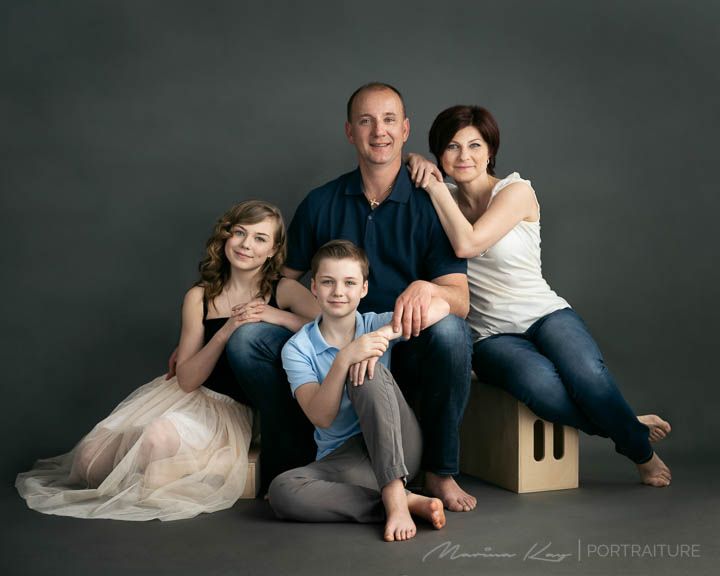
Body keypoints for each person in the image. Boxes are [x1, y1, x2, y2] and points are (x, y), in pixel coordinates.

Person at [407, 105, 672, 487]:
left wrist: (433, 184)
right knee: (543, 391)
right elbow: (393, 165)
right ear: (439, 154)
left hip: (545, 314)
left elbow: (468, 243)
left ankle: (639, 451)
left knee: (589, 378)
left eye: (474, 145)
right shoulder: (439, 197)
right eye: (451, 147)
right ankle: (628, 427)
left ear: (490, 149)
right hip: (491, 335)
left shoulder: (516, 190)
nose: (464, 156)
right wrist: (414, 160)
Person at [16, 200, 320, 520]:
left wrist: (276, 316)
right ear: (226, 236)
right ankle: (170, 469)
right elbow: (187, 379)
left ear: (273, 250)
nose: (247, 244)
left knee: (157, 439)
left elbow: (330, 329)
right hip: (187, 396)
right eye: (240, 233)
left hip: (227, 409)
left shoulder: (283, 290)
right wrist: (226, 329)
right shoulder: (199, 296)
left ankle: (196, 467)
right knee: (87, 462)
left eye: (260, 238)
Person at [282, 83, 477, 512]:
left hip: (405, 345)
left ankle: (440, 473)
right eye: (366, 121)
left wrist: (428, 288)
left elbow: (460, 300)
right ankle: (293, 458)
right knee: (249, 341)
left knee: (451, 332)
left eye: (389, 120)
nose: (379, 131)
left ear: (405, 130)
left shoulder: (429, 203)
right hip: (334, 347)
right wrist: (323, 316)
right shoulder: (320, 203)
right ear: (350, 131)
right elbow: (282, 282)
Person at [269, 240, 447, 542]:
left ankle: (393, 494)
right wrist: (343, 358)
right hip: (346, 461)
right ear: (313, 287)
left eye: (349, 283)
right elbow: (322, 417)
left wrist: (380, 337)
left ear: (363, 289)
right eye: (328, 282)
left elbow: (442, 306)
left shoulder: (374, 324)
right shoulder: (297, 348)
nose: (338, 292)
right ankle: (404, 501)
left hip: (400, 446)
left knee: (368, 371)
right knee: (282, 491)